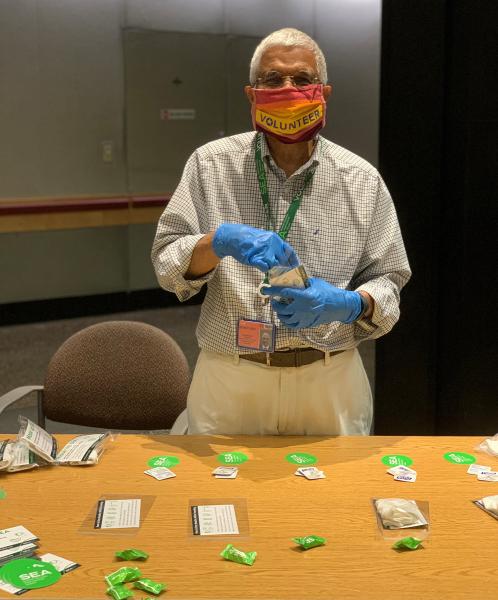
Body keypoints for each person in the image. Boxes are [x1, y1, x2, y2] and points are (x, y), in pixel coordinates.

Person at [152, 28, 411, 435]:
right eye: (273, 80)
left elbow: (390, 281)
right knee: (220, 496)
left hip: (329, 379)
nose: (288, 89)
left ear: (323, 91)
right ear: (252, 94)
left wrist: (348, 303)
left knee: (331, 498)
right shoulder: (209, 165)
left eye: (302, 79)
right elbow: (167, 264)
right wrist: (216, 242)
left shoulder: (362, 180)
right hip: (232, 377)